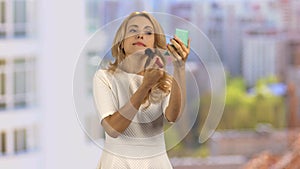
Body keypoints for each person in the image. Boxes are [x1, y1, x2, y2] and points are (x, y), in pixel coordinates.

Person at [93, 11, 190, 169]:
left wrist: (179, 68)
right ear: (121, 43)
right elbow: (112, 129)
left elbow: (173, 116)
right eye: (133, 30)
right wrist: (145, 86)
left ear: (154, 45)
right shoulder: (104, 78)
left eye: (148, 32)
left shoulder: (164, 81)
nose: (140, 35)